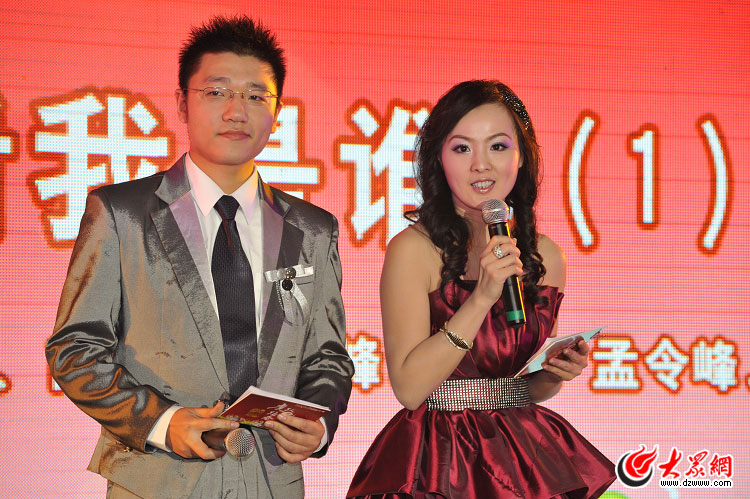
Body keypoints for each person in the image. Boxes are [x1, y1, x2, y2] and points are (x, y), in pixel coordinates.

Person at [45, 15, 353, 499]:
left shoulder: (313, 229)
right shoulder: (121, 214)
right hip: (157, 481)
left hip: (272, 482)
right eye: (217, 92)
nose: (237, 111)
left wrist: (318, 423)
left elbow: (328, 356)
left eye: (256, 96)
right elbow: (75, 349)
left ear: (277, 111)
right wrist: (162, 422)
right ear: (182, 103)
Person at [348, 80, 615, 498]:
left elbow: (527, 387)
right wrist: (483, 297)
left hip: (520, 452)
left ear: (521, 156)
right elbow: (410, 388)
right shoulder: (413, 250)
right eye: (462, 148)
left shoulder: (544, 255)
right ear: (438, 159)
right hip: (438, 459)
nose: (481, 165)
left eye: (498, 146)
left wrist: (554, 371)